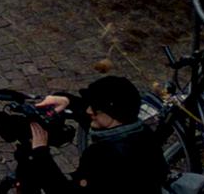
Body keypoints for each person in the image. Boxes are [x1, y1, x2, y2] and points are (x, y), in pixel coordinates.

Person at [15, 75, 165, 193]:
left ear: (111, 113)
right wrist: (67, 100)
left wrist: (41, 153)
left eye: (94, 108)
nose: (88, 111)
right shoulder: (144, 136)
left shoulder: (102, 155)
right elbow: (91, 116)